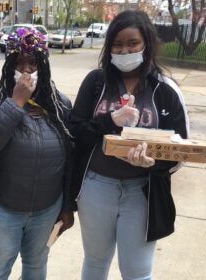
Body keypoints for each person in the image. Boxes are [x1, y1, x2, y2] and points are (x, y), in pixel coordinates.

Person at [70, 10, 189, 280]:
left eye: (132, 43)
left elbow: (180, 148)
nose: (125, 50)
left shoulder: (165, 90)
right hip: (97, 187)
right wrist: (110, 120)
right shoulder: (96, 82)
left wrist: (153, 161)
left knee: (137, 271)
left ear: (146, 43)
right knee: (96, 262)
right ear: (109, 46)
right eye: (118, 44)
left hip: (142, 192)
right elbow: (75, 131)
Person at [0, 28, 75, 280]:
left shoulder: (60, 104)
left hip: (46, 208)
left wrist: (67, 205)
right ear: (8, 65)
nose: (27, 70)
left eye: (33, 63)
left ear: (44, 65)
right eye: (19, 63)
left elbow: (71, 158)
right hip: (2, 208)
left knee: (36, 266)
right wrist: (16, 102)